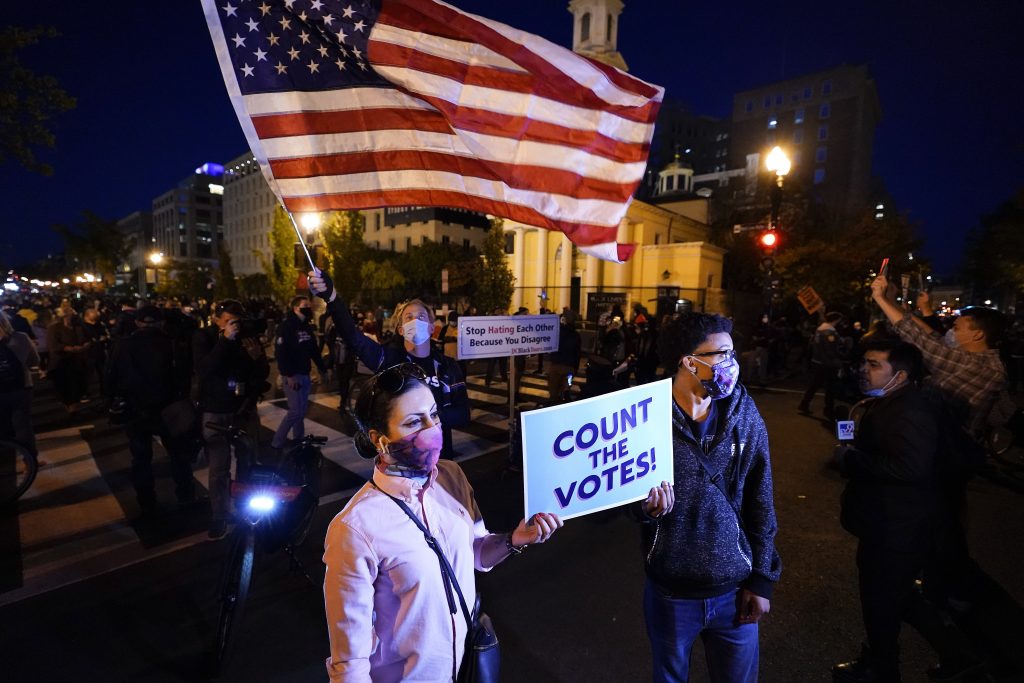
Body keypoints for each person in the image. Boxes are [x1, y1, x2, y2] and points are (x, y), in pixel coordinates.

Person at [322, 363, 565, 681]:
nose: (431, 428)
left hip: (465, 672)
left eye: (433, 415)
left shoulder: (452, 475)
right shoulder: (354, 529)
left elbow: (477, 553)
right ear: (379, 439)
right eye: (413, 422)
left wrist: (514, 540)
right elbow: (350, 663)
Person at [644, 312, 782, 683]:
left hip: (734, 593)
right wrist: (645, 512)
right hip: (670, 593)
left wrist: (762, 580)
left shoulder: (744, 413)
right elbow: (620, 496)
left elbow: (760, 497)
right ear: (689, 361)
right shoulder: (643, 418)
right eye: (723, 354)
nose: (732, 365)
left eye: (732, 354)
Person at [831, 342, 945, 682]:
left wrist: (852, 460)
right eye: (864, 362)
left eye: (875, 364)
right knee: (893, 598)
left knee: (882, 601)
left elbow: (911, 469)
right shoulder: (893, 402)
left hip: (896, 528)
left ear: (901, 375)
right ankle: (956, 657)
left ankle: (882, 668)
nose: (864, 369)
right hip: (889, 524)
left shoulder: (909, 411)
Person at [309, 270, 470, 460]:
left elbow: (463, 414)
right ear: (401, 330)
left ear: (431, 327)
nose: (415, 321)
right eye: (409, 317)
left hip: (440, 459)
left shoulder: (447, 366)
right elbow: (354, 337)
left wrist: (427, 419)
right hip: (401, 461)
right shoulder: (390, 360)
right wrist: (332, 298)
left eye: (421, 317)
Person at [106, 306, 197, 516]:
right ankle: (186, 495)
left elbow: (110, 377)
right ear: (161, 322)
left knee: (141, 457)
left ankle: (146, 501)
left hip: (135, 408)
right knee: (178, 455)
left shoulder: (122, 346)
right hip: (169, 407)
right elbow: (185, 377)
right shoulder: (173, 345)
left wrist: (112, 399)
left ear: (138, 323)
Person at [193, 299, 270, 540]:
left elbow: (261, 373)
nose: (234, 325)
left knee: (248, 459)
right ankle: (220, 515)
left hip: (242, 409)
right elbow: (204, 369)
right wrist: (225, 340)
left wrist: (258, 358)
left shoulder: (247, 337)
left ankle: (246, 507)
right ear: (216, 320)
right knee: (219, 467)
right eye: (228, 321)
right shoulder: (203, 337)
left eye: (237, 320)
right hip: (214, 410)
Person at [271, 296, 326, 454]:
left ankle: (298, 439)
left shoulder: (306, 327)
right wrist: (288, 375)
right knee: (296, 411)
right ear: (296, 308)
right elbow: (281, 353)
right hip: (293, 376)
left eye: (309, 305)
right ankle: (277, 442)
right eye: (305, 306)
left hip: (304, 373)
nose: (308, 308)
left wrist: (322, 369)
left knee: (301, 410)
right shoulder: (286, 326)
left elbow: (314, 350)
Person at [0, 310, 41, 455]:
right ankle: (29, 461)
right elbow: (34, 361)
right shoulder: (21, 338)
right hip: (21, 387)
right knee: (23, 425)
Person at [799, 311, 848, 418]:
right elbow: (831, 351)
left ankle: (804, 404)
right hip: (828, 364)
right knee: (830, 388)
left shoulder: (819, 330)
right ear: (836, 320)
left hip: (817, 361)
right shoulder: (829, 333)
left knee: (814, 385)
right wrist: (839, 359)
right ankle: (829, 410)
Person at [47, 306, 89, 411]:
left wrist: (84, 347)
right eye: (67, 315)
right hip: (61, 362)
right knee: (65, 386)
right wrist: (70, 349)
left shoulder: (79, 327)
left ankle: (73, 405)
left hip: (78, 360)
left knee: (80, 385)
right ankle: (70, 406)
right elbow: (53, 345)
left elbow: (88, 338)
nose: (70, 317)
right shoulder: (54, 328)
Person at [547, 313, 581, 402]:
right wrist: (575, 369)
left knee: (553, 392)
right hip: (570, 369)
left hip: (556, 366)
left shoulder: (556, 332)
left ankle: (553, 407)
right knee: (567, 388)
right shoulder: (576, 335)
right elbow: (577, 354)